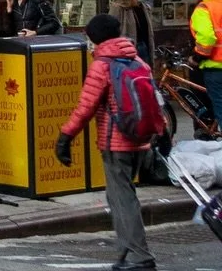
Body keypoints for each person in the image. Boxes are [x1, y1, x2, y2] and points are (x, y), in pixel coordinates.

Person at [56, 14, 160, 271]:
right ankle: (126, 253)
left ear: (94, 38)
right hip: (141, 139)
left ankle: (139, 257)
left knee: (122, 200)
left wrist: (65, 137)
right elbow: (155, 100)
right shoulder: (137, 60)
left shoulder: (102, 65)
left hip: (116, 142)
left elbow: (86, 107)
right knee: (122, 197)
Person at [190, 0, 222, 126]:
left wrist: (197, 57)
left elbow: (207, 38)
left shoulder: (204, 8)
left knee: (220, 107)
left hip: (215, 68)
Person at [112, 0, 156, 67]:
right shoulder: (119, 8)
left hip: (145, 49)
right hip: (127, 51)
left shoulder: (146, 8)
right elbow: (111, 33)